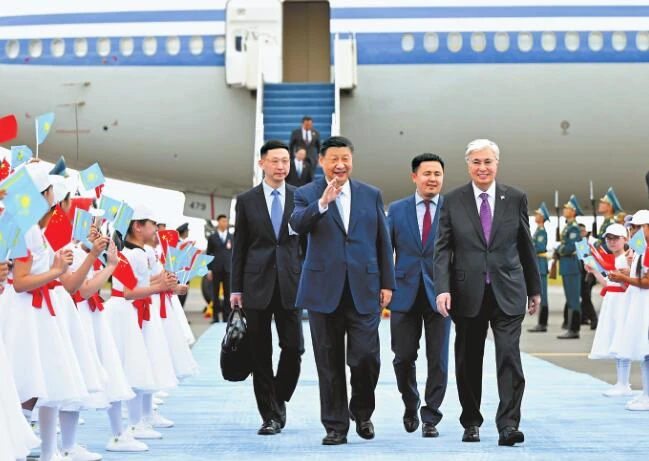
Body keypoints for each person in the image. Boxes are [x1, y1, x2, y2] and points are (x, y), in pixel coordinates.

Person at [433, 139, 541, 447]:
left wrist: (534, 288)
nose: (482, 167)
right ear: (468, 165)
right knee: (468, 360)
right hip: (467, 292)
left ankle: (508, 424)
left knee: (509, 357)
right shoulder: (452, 200)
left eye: (488, 162)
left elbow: (525, 244)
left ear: (497, 164)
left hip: (508, 289)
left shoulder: (515, 197)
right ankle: (471, 421)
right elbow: (442, 249)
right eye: (476, 162)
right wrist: (442, 289)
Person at [290, 136, 395, 446]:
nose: (340, 164)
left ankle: (362, 412)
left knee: (366, 358)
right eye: (333, 159)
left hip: (364, 287)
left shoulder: (370, 194)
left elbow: (382, 241)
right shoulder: (306, 194)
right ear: (321, 162)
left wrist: (387, 283)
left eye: (345, 158)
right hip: (323, 290)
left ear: (352, 160)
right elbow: (296, 225)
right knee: (328, 361)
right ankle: (335, 426)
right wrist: (322, 204)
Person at [230, 140, 304, 436]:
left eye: (285, 161)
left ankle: (278, 394)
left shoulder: (300, 197)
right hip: (255, 284)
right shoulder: (246, 200)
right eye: (275, 161)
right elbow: (240, 247)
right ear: (262, 163)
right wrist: (236, 288)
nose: (281, 166)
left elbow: (307, 243)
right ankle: (270, 415)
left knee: (294, 348)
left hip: (291, 283)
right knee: (260, 353)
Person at [386, 153, 451, 438]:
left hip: (441, 294)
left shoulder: (452, 209)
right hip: (404, 293)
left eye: (437, 174)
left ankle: (431, 415)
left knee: (438, 359)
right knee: (402, 357)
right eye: (427, 174)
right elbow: (385, 250)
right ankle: (410, 402)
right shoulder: (397, 210)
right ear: (415, 177)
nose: (432, 179)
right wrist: (384, 286)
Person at [609, 210, 649, 410]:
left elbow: (647, 282)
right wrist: (629, 271)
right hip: (640, 303)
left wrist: (624, 278)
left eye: (637, 227)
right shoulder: (643, 249)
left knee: (647, 350)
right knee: (644, 351)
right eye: (632, 228)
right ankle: (646, 393)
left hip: (645, 304)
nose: (633, 232)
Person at [587, 223, 633, 397]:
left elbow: (627, 285)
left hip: (622, 302)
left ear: (625, 239)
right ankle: (621, 382)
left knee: (622, 341)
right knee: (616, 340)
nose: (611, 242)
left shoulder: (628, 259)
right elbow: (608, 284)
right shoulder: (613, 260)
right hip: (612, 302)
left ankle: (624, 383)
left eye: (615, 238)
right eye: (608, 238)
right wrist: (595, 271)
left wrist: (623, 276)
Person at [556, 196, 584, 339]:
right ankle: (571, 328)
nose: (564, 210)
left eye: (567, 208)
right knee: (570, 298)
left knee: (573, 299)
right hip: (567, 266)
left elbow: (570, 247)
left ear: (573, 211)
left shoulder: (573, 228)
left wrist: (558, 249)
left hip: (571, 265)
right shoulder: (568, 226)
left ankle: (574, 330)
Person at [528, 202, 551, 332]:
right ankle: (541, 323)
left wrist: (528, 249)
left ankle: (543, 323)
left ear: (542, 217)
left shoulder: (541, 232)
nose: (535, 216)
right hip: (538, 264)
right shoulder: (538, 231)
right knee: (540, 294)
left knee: (543, 295)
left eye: (537, 214)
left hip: (541, 266)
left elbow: (539, 247)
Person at [206, 214, 233, 323]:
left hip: (228, 269)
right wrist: (209, 269)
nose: (225, 223)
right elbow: (209, 254)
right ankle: (215, 317)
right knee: (215, 294)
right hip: (216, 269)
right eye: (223, 221)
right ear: (218, 222)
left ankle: (227, 317)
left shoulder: (231, 237)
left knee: (227, 294)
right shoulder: (212, 237)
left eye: (226, 221)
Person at [579, 223, 598, 329]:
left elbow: (588, 260)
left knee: (586, 297)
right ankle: (583, 318)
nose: (582, 233)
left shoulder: (586, 243)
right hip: (582, 274)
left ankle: (594, 319)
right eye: (580, 231)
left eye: (583, 230)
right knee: (585, 296)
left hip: (586, 275)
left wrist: (590, 274)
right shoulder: (582, 242)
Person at [176, 222, 190, 307]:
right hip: (179, 273)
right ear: (184, 232)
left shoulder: (184, 243)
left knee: (182, 296)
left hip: (184, 273)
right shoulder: (178, 243)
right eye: (187, 231)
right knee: (179, 297)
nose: (188, 232)